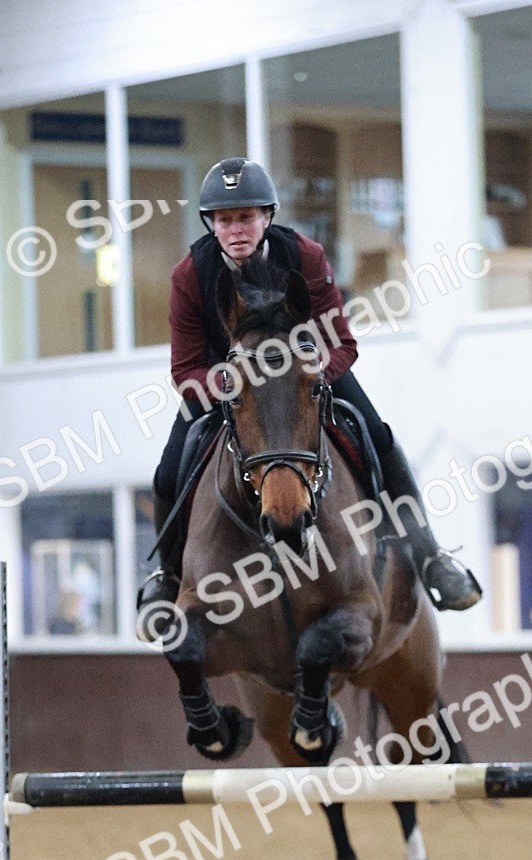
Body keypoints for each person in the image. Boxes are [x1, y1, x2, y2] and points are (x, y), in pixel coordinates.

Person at [137, 156, 481, 628]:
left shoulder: (305, 255)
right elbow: (186, 369)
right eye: (224, 220)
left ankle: (429, 556)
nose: (235, 229)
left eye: (245, 217)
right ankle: (168, 577)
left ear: (267, 217)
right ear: (210, 225)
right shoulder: (189, 276)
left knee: (378, 437)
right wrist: (234, 385)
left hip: (304, 373)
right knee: (168, 470)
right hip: (230, 384)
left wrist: (318, 371)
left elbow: (342, 342)